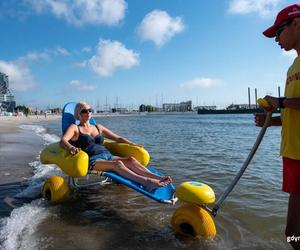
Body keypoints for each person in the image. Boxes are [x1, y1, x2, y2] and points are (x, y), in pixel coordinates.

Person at [255, 4, 300, 249]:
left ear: (297, 23)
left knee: (294, 232)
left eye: (279, 31)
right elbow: (294, 113)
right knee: (294, 233)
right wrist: (271, 120)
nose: (277, 39)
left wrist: (280, 101)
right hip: (293, 154)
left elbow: (290, 104)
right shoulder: (292, 67)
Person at [60, 101, 171, 192]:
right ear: (78, 114)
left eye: (90, 110)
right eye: (84, 111)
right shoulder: (75, 128)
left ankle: (157, 178)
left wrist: (132, 144)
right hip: (92, 160)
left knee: (131, 160)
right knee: (118, 164)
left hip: (107, 156)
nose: (88, 113)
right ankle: (146, 182)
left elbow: (117, 138)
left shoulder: (98, 127)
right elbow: (63, 141)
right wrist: (71, 148)